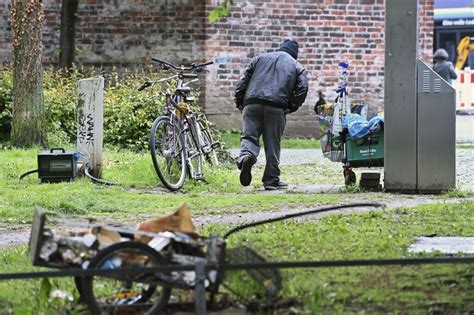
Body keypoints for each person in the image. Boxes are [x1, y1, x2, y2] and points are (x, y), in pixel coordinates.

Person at [234, 39, 309, 190]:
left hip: (252, 103)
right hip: (276, 107)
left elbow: (243, 81)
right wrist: (291, 106)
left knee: (249, 136)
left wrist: (240, 101)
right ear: (295, 54)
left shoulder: (259, 58)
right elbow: (303, 87)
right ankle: (271, 180)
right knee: (272, 144)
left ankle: (246, 157)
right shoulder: (295, 65)